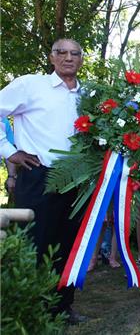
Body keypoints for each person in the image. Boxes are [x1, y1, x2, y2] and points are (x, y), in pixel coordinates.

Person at [0, 38, 87, 324]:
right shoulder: (30, 85)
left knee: (69, 245)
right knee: (35, 244)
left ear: (81, 60)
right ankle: (29, 309)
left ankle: (63, 306)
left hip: (77, 181)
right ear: (51, 58)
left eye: (75, 54)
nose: (68, 58)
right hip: (38, 176)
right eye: (61, 53)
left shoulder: (88, 95)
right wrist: (9, 151)